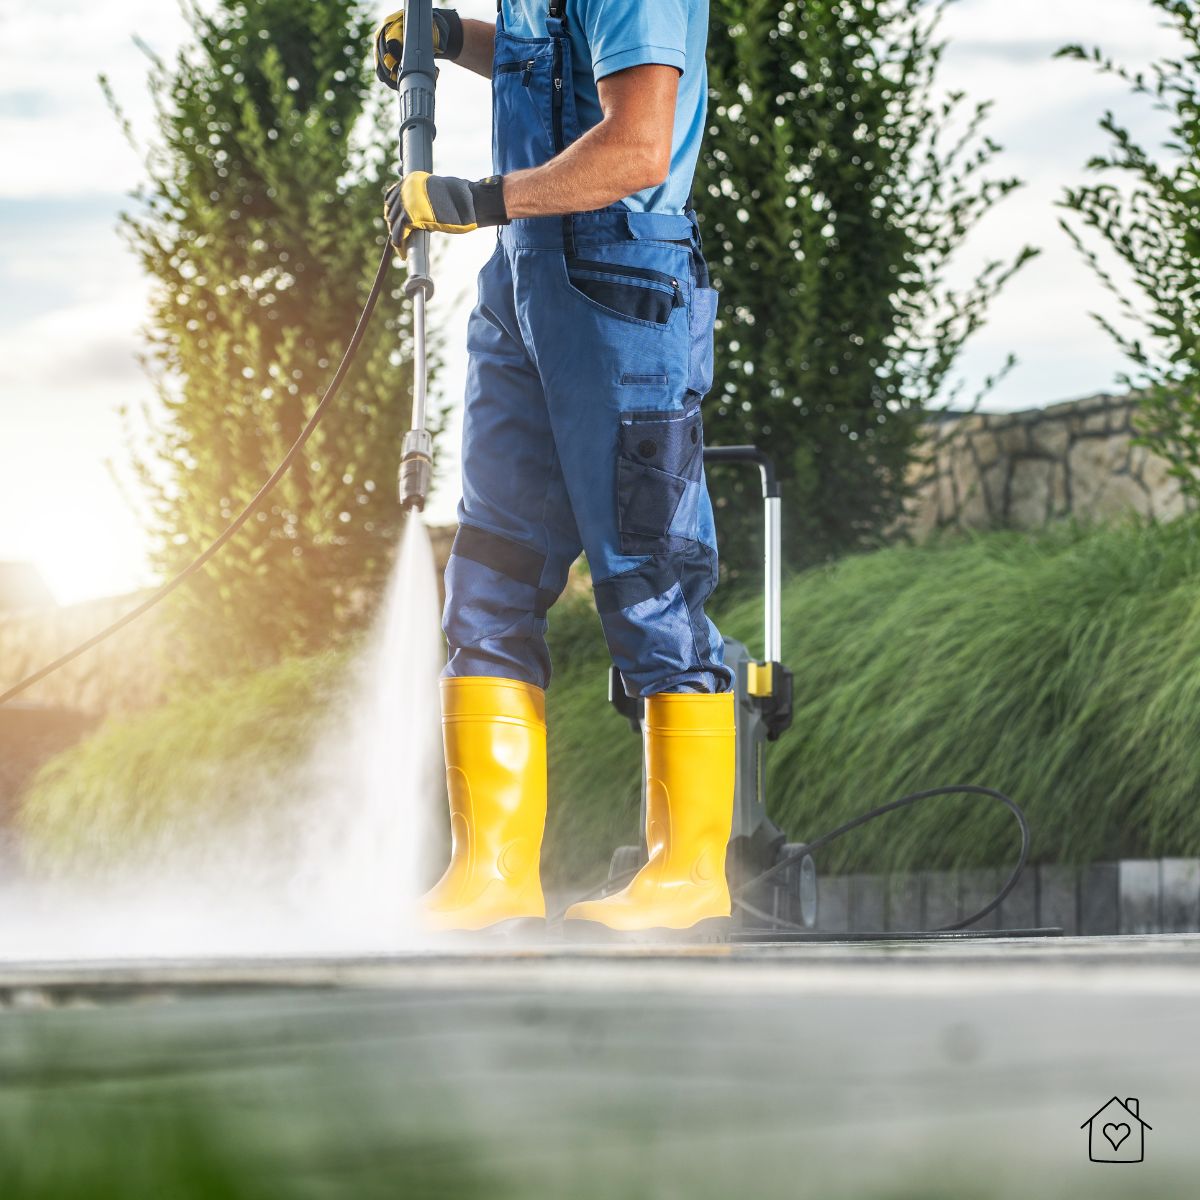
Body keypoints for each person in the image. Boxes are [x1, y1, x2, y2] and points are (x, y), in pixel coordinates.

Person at [375, 0, 734, 937]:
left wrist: (478, 198)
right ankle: (488, 875)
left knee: (649, 576)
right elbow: (554, 70)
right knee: (488, 579)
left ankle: (690, 874)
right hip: (522, 279)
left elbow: (637, 149)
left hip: (620, 276)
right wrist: (455, 41)